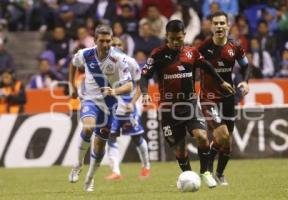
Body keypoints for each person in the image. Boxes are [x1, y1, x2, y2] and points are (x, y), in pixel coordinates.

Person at [140, 19, 235, 188]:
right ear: (166, 36)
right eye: (172, 38)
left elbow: (207, 66)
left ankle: (205, 172)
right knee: (180, 150)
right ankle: (187, 176)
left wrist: (221, 82)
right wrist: (146, 93)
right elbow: (145, 76)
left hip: (190, 104)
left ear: (184, 35)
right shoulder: (158, 54)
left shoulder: (192, 53)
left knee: (202, 136)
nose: (176, 42)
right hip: (169, 109)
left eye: (179, 38)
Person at [68, 24, 133, 192]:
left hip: (110, 105)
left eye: (108, 41)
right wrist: (72, 87)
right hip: (90, 100)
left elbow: (129, 86)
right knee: (88, 128)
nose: (105, 44)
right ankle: (78, 164)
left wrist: (114, 90)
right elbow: (73, 64)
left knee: (99, 146)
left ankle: (90, 178)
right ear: (95, 40)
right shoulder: (85, 54)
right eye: (101, 41)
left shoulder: (119, 59)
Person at [198, 11, 251, 186]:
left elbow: (246, 67)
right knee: (222, 134)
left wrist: (244, 81)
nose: (219, 26)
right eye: (216, 23)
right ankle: (206, 171)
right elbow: (189, 68)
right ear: (211, 26)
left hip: (228, 98)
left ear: (228, 25)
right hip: (208, 98)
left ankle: (219, 174)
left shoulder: (235, 46)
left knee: (226, 141)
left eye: (222, 23)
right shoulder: (203, 48)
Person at [105, 37, 150, 180]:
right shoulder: (105, 63)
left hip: (127, 105)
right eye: (113, 45)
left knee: (137, 137)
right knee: (111, 137)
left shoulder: (130, 62)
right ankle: (116, 172)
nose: (115, 47)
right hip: (112, 107)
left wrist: (133, 102)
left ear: (123, 47)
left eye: (118, 44)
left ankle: (146, 166)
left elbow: (139, 85)